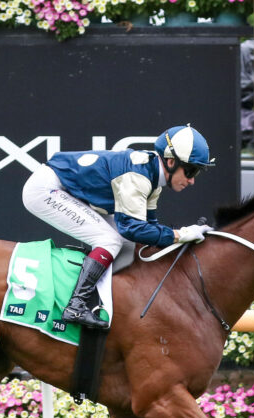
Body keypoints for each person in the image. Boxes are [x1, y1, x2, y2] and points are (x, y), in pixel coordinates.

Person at [22, 124, 215, 330]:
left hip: (64, 188)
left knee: (125, 243)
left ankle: (104, 300)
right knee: (110, 240)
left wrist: (182, 238)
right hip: (45, 189)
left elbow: (147, 230)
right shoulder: (138, 177)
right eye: (190, 170)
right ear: (170, 162)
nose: (192, 181)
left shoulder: (152, 180)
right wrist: (183, 234)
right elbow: (132, 229)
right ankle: (76, 306)